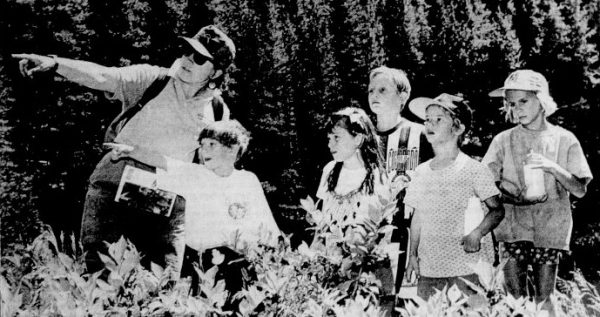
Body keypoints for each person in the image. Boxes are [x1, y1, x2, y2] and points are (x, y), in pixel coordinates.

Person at [12, 25, 237, 275]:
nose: (187, 60)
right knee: (102, 282)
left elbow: (210, 169)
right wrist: (55, 64)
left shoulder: (217, 111)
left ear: (216, 71)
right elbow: (104, 76)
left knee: (162, 289)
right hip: (114, 190)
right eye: (186, 51)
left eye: (199, 58)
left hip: (166, 206)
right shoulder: (154, 79)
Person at [106, 119, 280, 308]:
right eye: (202, 145)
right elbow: (162, 161)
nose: (204, 151)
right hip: (204, 264)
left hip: (244, 263)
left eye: (212, 144)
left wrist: (268, 258)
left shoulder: (248, 180)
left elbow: (266, 224)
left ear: (232, 149)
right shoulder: (195, 174)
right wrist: (129, 151)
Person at [482, 70, 592, 314]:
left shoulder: (564, 139)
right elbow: (484, 183)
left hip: (549, 226)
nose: (517, 109)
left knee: (545, 298)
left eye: (524, 101)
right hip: (511, 226)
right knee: (514, 298)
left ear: (541, 100)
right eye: (511, 104)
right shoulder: (503, 140)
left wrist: (552, 167)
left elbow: (580, 190)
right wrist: (511, 197)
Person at [403, 93, 504, 300]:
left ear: (458, 128)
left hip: (468, 267)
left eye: (439, 119)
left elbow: (497, 210)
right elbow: (418, 218)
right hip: (430, 267)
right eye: (427, 120)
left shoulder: (475, 169)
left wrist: (477, 233)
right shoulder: (421, 172)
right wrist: (412, 255)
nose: (430, 124)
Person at [313, 107, 397, 315]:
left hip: (366, 268)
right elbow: (322, 221)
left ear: (358, 139)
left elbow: (379, 231)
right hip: (331, 264)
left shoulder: (377, 176)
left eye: (337, 137)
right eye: (328, 138)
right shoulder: (330, 170)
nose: (330, 143)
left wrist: (353, 258)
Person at [367, 66, 433, 297]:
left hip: (406, 235)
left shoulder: (418, 134)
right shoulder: (362, 137)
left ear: (402, 97)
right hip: (365, 236)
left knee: (399, 300)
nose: (374, 95)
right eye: (371, 90)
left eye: (383, 90)